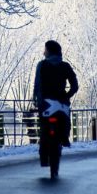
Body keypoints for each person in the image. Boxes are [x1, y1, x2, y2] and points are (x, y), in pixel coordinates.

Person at [32, 40, 78, 176]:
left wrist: (36, 101)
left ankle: (44, 155)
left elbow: (37, 85)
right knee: (65, 123)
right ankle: (65, 138)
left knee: (44, 128)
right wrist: (67, 96)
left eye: (45, 50)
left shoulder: (42, 65)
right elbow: (75, 85)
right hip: (61, 103)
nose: (43, 52)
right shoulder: (65, 66)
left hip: (46, 103)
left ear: (49, 51)